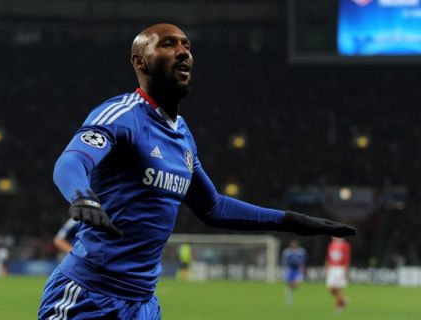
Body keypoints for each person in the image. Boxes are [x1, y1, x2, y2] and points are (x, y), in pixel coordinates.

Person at [38, 23, 357, 320]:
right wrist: (82, 196)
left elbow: (213, 207)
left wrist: (290, 221)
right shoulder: (122, 115)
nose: (182, 51)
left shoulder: (182, 135)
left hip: (143, 305)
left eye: (186, 45)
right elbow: (72, 161)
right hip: (88, 297)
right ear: (140, 61)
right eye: (168, 44)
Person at [325, 237, 351, 313]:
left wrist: (346, 270)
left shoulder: (345, 245)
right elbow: (328, 257)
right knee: (330, 289)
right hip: (332, 268)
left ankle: (338, 307)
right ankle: (343, 300)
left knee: (339, 289)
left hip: (340, 268)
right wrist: (326, 268)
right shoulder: (331, 244)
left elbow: (347, 258)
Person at [281, 239, 306, 305]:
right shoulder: (287, 252)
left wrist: (302, 269)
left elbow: (303, 262)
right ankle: (289, 299)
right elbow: (284, 261)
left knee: (297, 283)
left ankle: (290, 290)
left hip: (298, 269)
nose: (294, 245)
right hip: (290, 269)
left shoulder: (301, 251)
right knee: (289, 284)